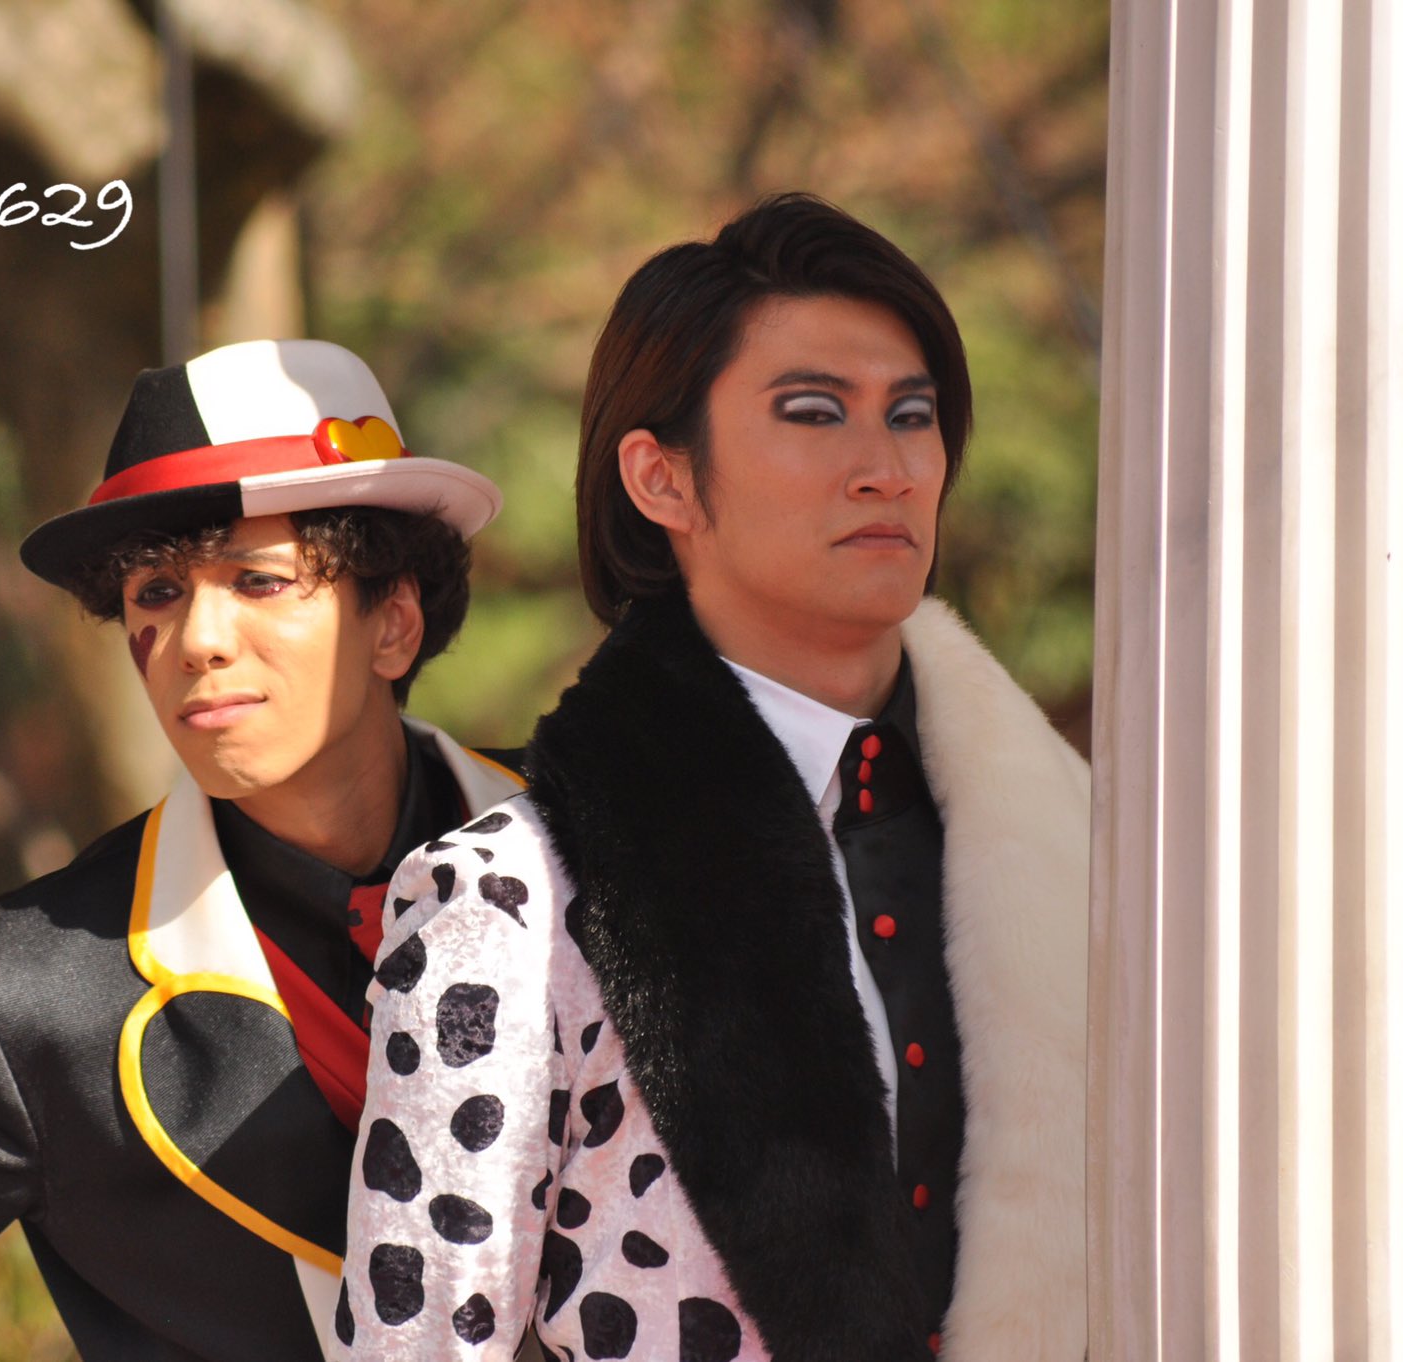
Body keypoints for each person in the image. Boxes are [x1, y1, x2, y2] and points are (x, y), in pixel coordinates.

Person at [331, 195, 1088, 1362]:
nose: (884, 468)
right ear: (661, 480)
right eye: (811, 413)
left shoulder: (1068, 842)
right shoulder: (508, 901)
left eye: (912, 415)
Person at [0, 339, 527, 1362]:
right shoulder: (28, 994)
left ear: (393, 624)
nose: (196, 640)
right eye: (156, 592)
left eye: (257, 580)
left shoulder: (606, 850)